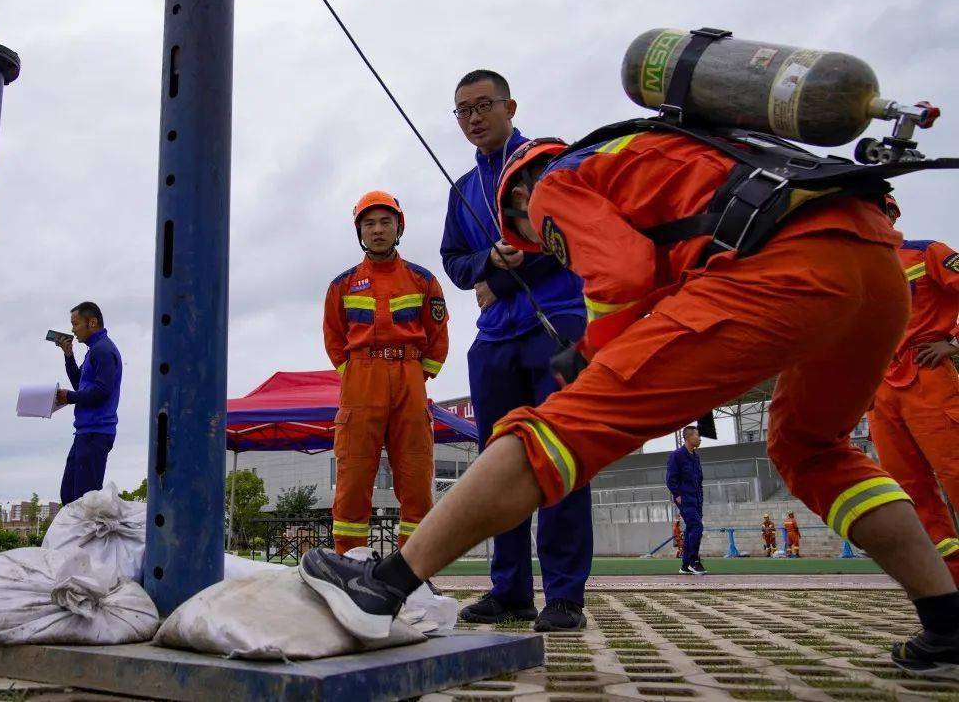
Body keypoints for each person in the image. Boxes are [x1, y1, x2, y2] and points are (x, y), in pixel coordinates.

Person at [299, 128, 959, 679]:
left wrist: (594, 356)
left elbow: (622, 272)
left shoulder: (556, 180)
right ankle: (946, 620)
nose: (539, 241)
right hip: (873, 264)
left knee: (551, 430)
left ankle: (382, 586)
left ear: (522, 192)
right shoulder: (660, 151)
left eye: (529, 231)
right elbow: (654, 267)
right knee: (813, 449)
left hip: (787, 268)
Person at [439, 69, 590, 632]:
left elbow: (577, 231)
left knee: (560, 455)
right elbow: (454, 261)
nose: (474, 117)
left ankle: (567, 594)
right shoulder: (461, 189)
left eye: (483, 105)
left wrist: (505, 271)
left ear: (510, 105)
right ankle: (509, 591)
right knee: (499, 463)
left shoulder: (546, 162)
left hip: (558, 325)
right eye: (463, 110)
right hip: (495, 339)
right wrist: (484, 266)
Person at [323, 191, 449, 554]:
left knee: (415, 475)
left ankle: (414, 568)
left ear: (399, 228)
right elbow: (334, 337)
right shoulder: (341, 285)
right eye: (369, 224)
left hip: (409, 378)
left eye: (385, 222)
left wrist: (414, 374)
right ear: (359, 231)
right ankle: (348, 563)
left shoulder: (422, 281)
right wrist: (356, 372)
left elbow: (438, 337)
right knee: (353, 476)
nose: (377, 230)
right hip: (361, 380)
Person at [868, 196, 959, 584]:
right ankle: (950, 580)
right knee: (908, 491)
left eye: (876, 210)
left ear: (891, 215)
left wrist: (954, 343)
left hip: (929, 379)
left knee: (955, 473)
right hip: (879, 390)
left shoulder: (928, 252)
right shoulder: (857, 270)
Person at [54, 301, 122, 505]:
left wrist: (70, 397)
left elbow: (103, 390)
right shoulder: (94, 350)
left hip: (96, 432)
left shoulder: (103, 350)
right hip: (85, 433)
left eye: (75, 324)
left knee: (85, 502)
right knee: (69, 497)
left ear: (92, 322)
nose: (72, 330)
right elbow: (80, 384)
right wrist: (68, 356)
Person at [666, 425, 705, 574]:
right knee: (697, 527)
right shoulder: (677, 455)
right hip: (685, 498)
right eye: (697, 436)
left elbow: (699, 478)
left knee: (691, 529)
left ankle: (685, 565)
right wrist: (677, 495)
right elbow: (670, 479)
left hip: (697, 498)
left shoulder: (695, 456)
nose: (700, 438)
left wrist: (700, 496)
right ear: (688, 437)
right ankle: (693, 560)